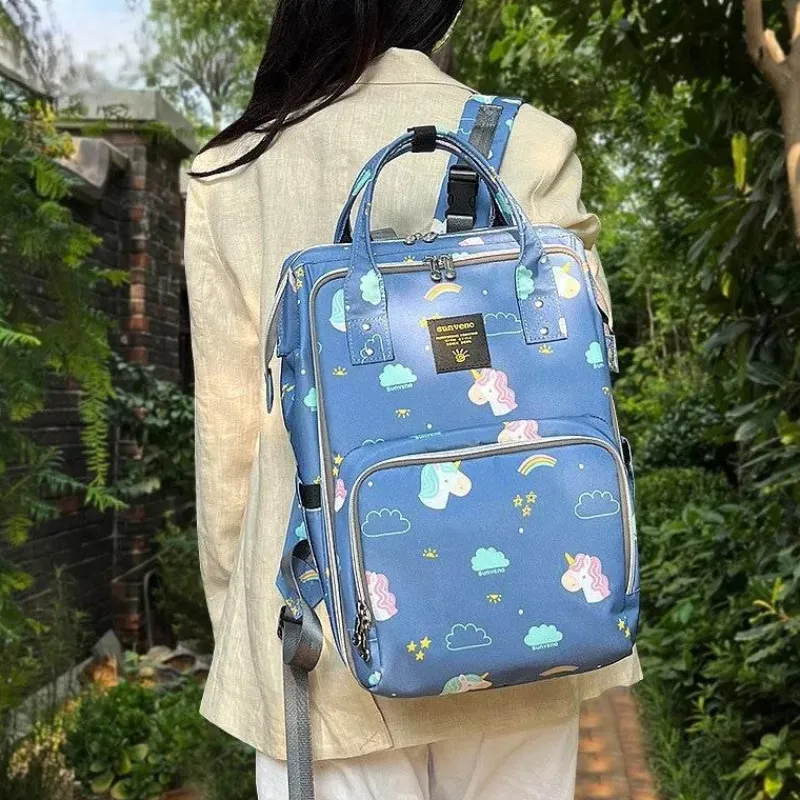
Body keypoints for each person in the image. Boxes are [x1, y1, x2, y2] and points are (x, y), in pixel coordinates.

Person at [185, 2, 642, 798]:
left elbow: (228, 441)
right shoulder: (531, 141)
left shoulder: (233, 169)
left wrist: (243, 621)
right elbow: (583, 378)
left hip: (327, 639)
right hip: (531, 624)